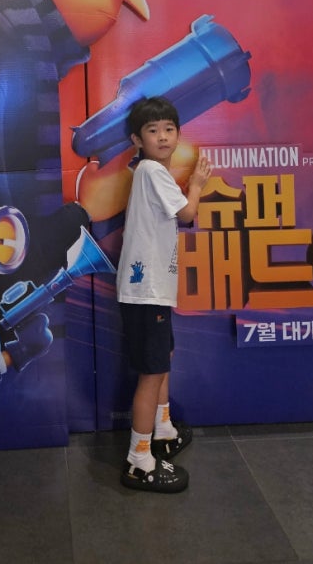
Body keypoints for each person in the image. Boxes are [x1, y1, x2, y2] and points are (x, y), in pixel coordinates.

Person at [117, 95, 212, 493]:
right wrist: (198, 186)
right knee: (151, 373)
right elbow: (187, 214)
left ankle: (163, 429)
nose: (162, 136)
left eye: (169, 129)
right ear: (137, 139)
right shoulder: (153, 171)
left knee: (162, 359)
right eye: (152, 130)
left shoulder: (150, 172)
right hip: (147, 292)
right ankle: (140, 460)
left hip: (151, 290)